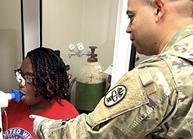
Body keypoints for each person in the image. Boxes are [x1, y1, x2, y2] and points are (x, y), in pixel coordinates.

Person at [30, 0, 193, 138]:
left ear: (158, 9)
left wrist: (42, 127)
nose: (128, 28)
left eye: (131, 17)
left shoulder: (156, 77)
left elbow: (92, 133)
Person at [1, 47, 79, 139]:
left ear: (48, 82)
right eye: (21, 75)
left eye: (29, 78)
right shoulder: (13, 105)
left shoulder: (68, 116)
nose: (21, 83)